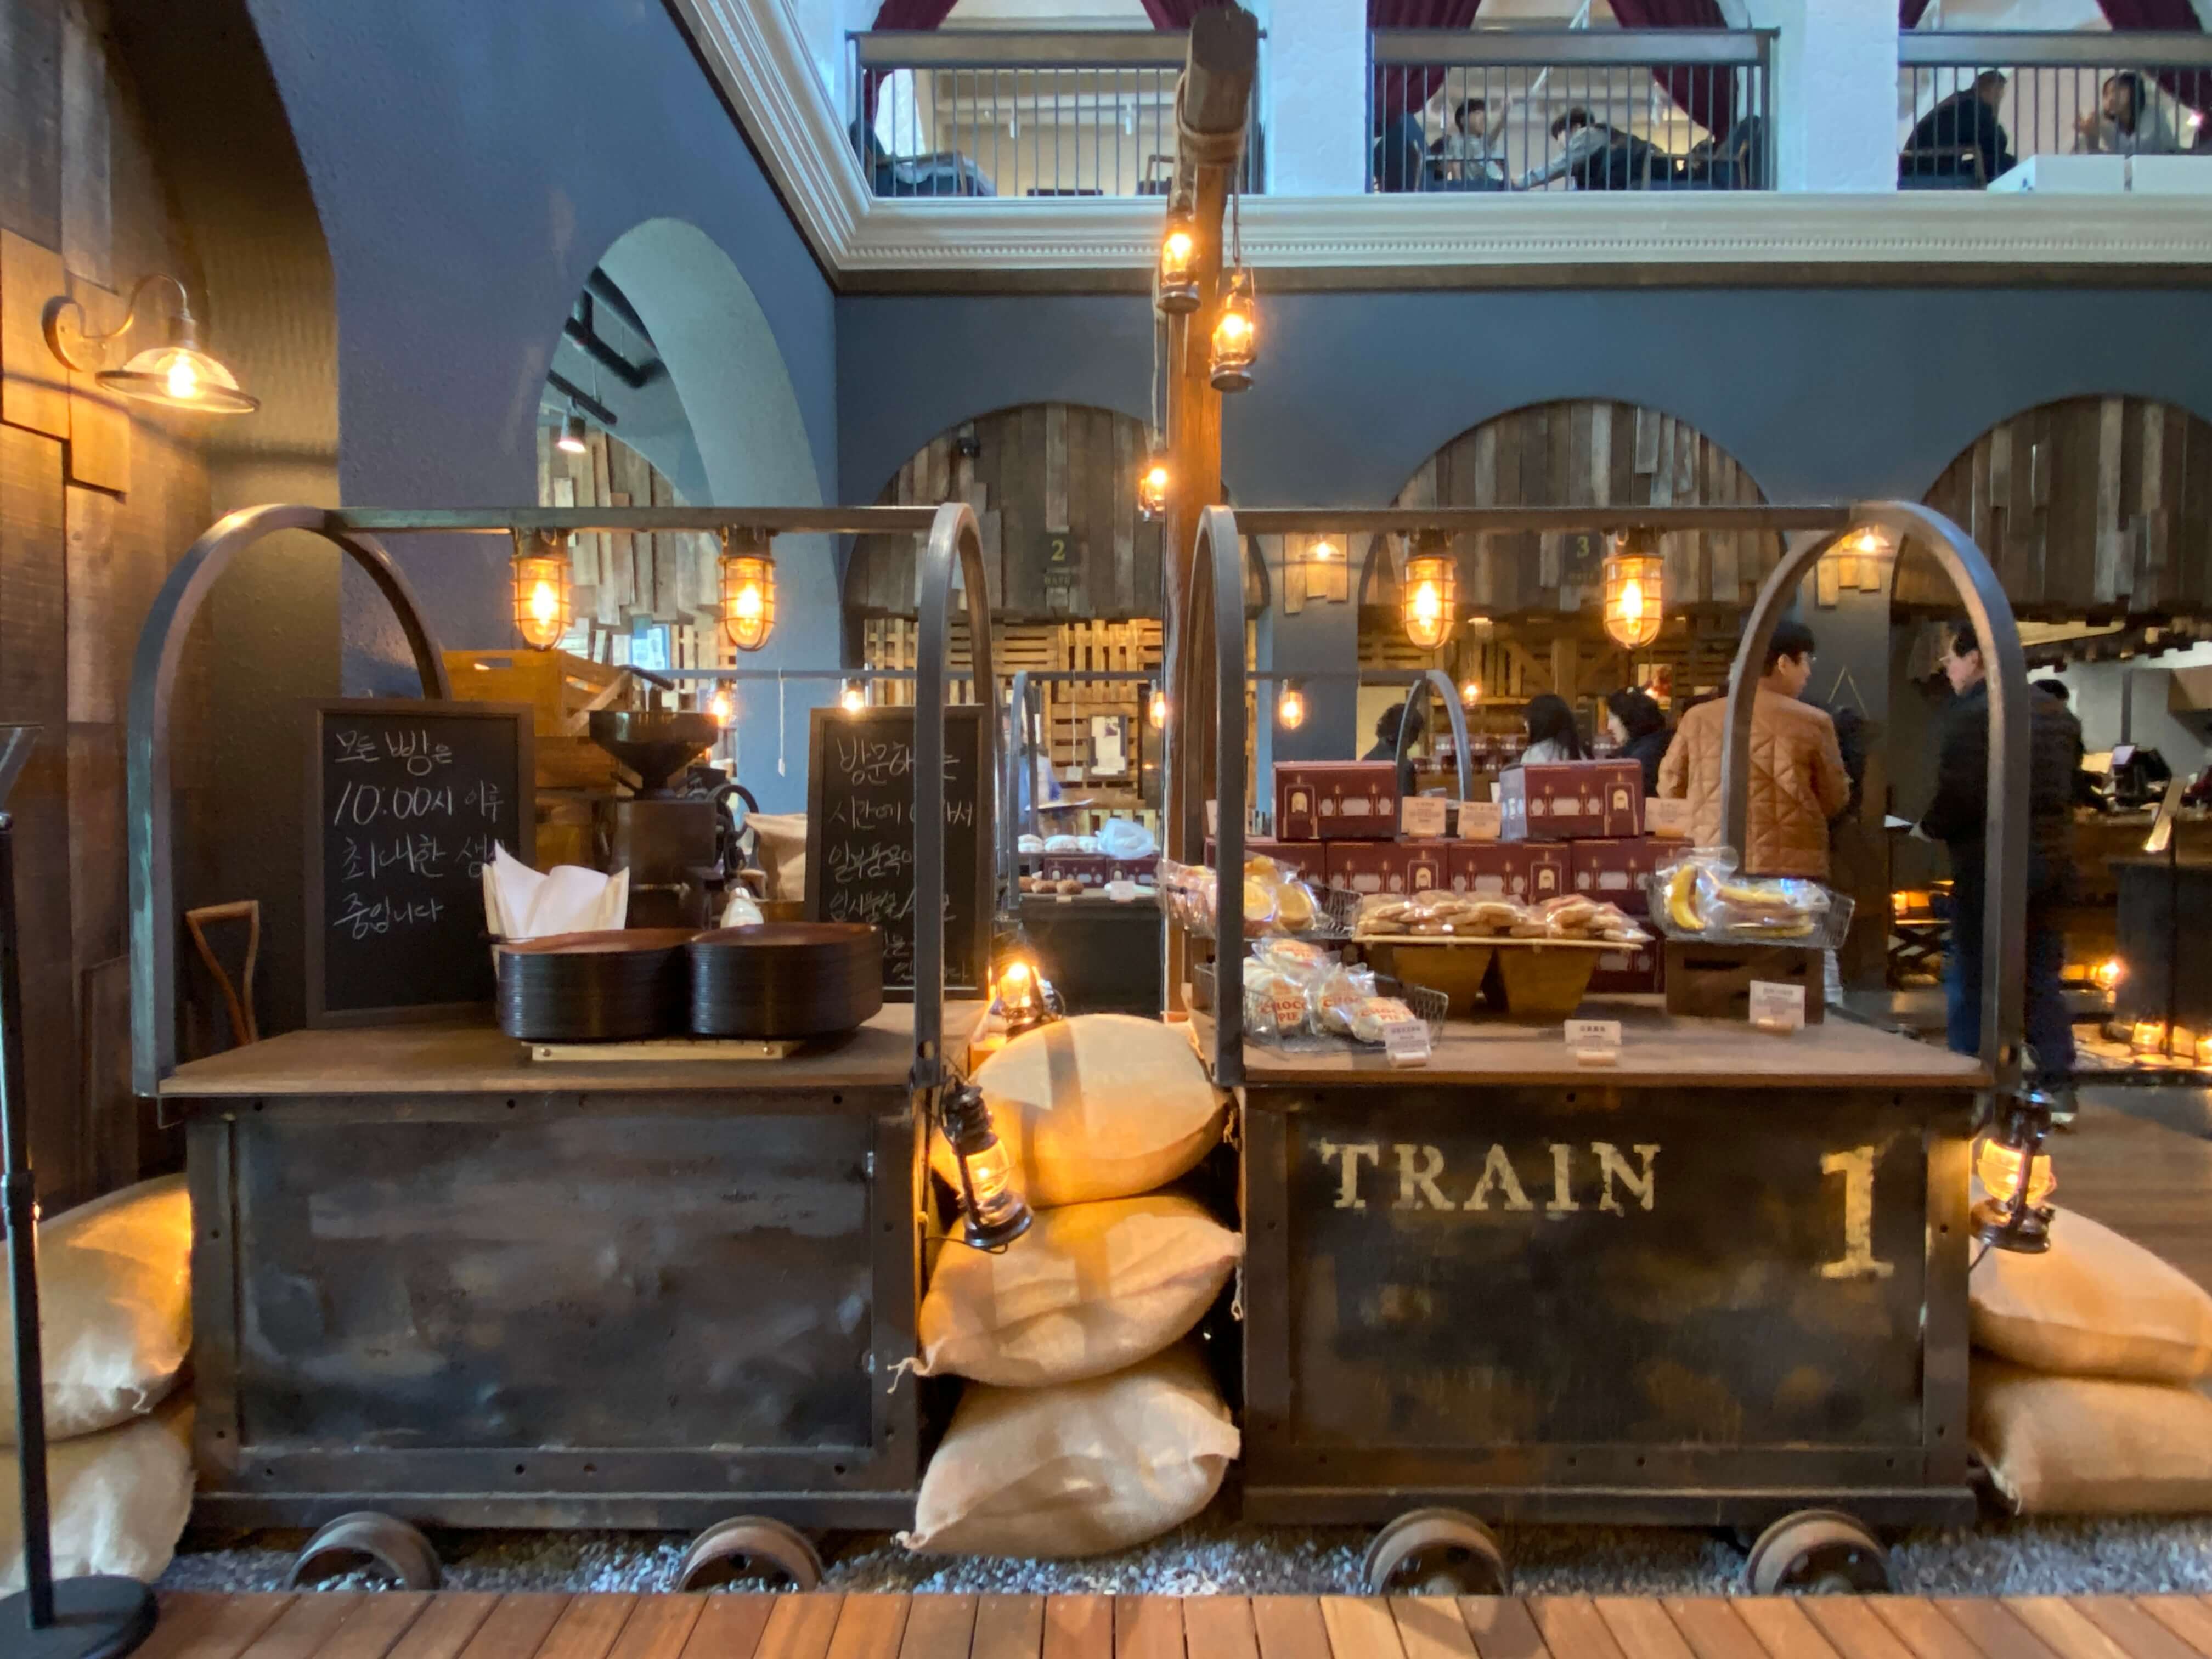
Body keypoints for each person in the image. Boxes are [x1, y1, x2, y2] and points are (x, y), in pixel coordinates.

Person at [1921, 624, 2081, 1121]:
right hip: (2053, 865)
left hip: (1991, 866)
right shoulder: (2057, 713)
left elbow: (1961, 796)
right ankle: (2059, 1086)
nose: (1948, 671)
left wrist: (1928, 828)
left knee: (1973, 974)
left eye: (1950, 660)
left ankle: (1969, 1082)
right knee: (2040, 977)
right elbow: (2070, 789)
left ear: (1974, 658)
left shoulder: (1973, 715)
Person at [1657, 618, 1850, 878]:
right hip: (1793, 868)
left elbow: (1670, 787)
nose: (1808, 672)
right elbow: (1835, 798)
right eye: (1806, 661)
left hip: (1715, 864)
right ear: (1784, 663)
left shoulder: (1697, 718)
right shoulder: (1815, 722)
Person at [1901, 69, 2015, 184]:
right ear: (1991, 91)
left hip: (1917, 166)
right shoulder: (1974, 107)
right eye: (1999, 95)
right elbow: (1997, 143)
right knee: (2006, 163)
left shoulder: (1961, 101)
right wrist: (1994, 115)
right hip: (1929, 172)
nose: (1998, 101)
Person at [1519, 108, 1637, 191]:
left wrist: (1519, 182)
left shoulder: (1587, 135)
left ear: (1576, 127)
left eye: (1559, 136)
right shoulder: (1604, 139)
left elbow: (1557, 167)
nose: (1560, 145)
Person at [2076, 72, 2186, 156]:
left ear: (2134, 90)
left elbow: (2135, 153)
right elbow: (2106, 164)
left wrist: (2104, 126)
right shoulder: (2109, 121)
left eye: (2116, 91)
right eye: (2106, 94)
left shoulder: (2153, 114)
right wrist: (2091, 138)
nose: (2110, 99)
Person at [1604, 688, 1671, 796]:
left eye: (1612, 718)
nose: (1609, 727)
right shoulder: (1656, 746)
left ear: (1629, 718)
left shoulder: (1640, 762)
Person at [1431, 97, 1505, 187]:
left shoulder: (1484, 140)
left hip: (1493, 183)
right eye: (1478, 114)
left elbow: (1494, 135)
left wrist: (1503, 118)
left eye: (1484, 114)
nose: (1484, 118)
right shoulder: (1457, 141)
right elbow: (1456, 166)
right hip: (1476, 186)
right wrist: (1459, 187)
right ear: (1463, 120)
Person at [1518, 693, 1587, 765]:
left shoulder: (1533, 755)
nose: (1525, 724)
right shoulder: (1577, 752)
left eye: (1528, 720)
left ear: (1539, 721)